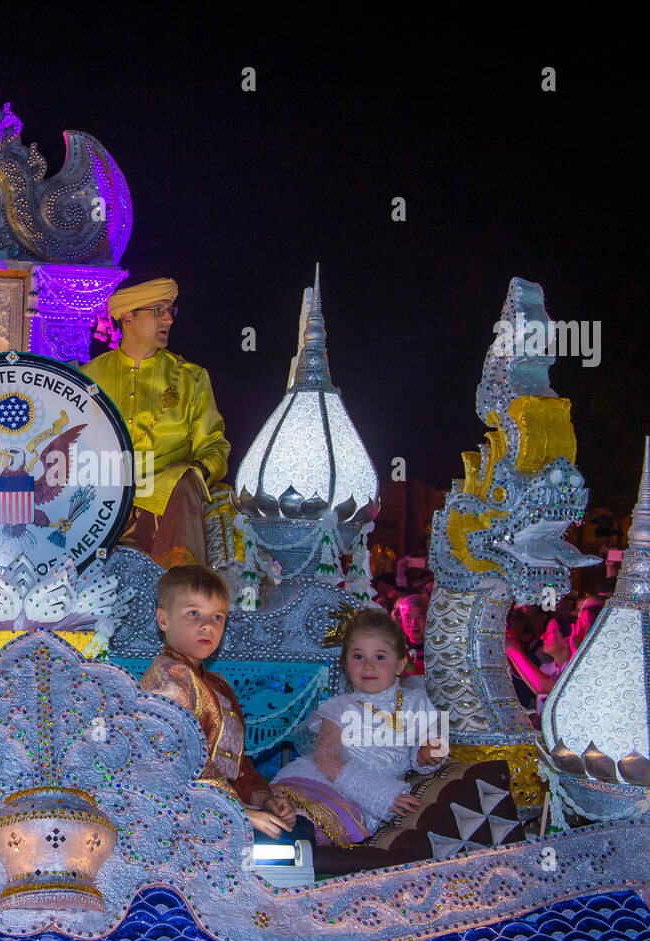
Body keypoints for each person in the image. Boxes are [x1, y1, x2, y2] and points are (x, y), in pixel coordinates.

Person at [81, 278, 229, 569]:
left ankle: (179, 588)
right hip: (102, 491)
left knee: (186, 480)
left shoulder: (191, 377)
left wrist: (198, 472)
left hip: (166, 494)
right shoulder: (89, 378)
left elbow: (213, 447)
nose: (168, 320)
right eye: (158, 310)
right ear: (128, 317)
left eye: (170, 311)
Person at [140, 565, 296, 838]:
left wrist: (264, 800)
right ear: (163, 620)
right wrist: (240, 813)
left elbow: (235, 764)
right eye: (193, 613)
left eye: (217, 617)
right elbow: (179, 759)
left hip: (219, 806)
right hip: (177, 814)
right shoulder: (168, 678)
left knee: (292, 832)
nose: (207, 626)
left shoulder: (217, 685)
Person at [271, 609, 448, 846]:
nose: (368, 666)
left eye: (380, 657)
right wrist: (381, 794)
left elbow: (431, 744)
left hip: (365, 803)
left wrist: (430, 753)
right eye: (358, 657)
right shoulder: (340, 707)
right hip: (321, 783)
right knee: (289, 822)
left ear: (400, 664)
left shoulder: (417, 701)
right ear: (345, 663)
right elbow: (327, 760)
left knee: (317, 830)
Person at [393, 593, 427, 677]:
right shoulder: (395, 647)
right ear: (401, 619)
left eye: (420, 617)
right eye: (408, 617)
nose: (413, 623)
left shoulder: (438, 647)